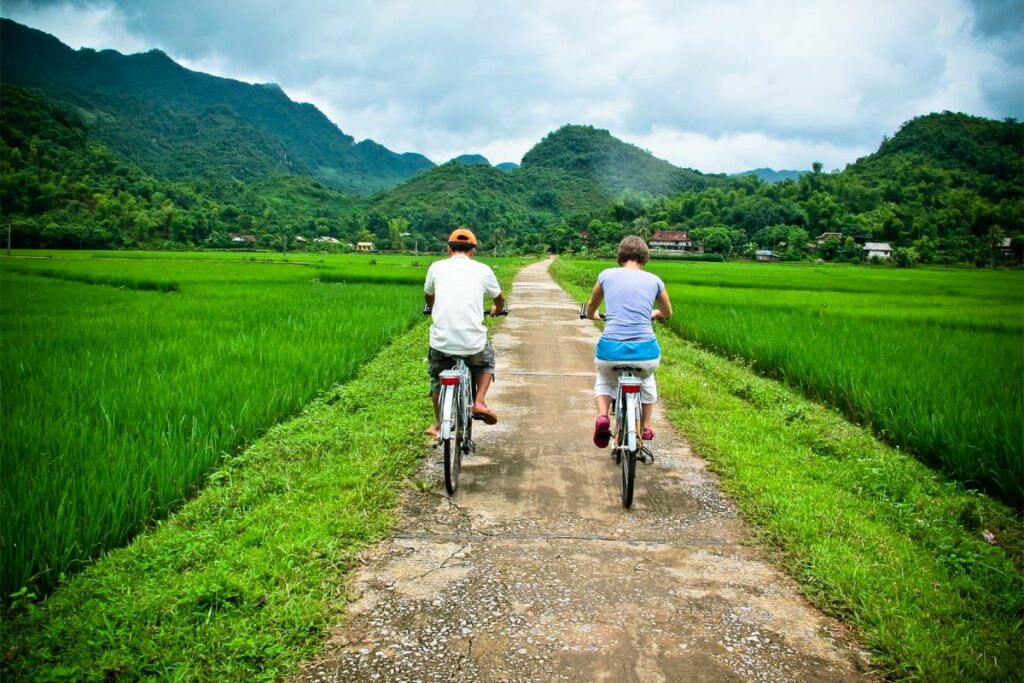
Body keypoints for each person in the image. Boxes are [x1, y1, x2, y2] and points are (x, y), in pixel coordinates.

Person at [583, 235, 673, 447]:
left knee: (604, 379)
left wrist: (593, 315)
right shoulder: (655, 280)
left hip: (610, 353)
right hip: (646, 354)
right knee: (647, 379)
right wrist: (656, 314)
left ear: (620, 256)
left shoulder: (606, 275)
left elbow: (591, 308)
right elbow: (668, 311)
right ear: (645, 258)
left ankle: (603, 416)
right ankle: (647, 425)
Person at [424, 227, 506, 439]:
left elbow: (429, 295)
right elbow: (499, 298)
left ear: (449, 249)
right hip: (473, 343)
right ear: (472, 251)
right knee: (486, 363)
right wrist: (498, 308)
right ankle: (479, 402)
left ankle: (438, 423)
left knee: (436, 379)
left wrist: (432, 309)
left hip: (441, 342)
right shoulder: (483, 269)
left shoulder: (436, 267)